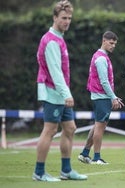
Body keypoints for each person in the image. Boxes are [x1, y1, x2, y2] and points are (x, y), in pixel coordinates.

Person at [33, 0, 87, 181]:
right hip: (52, 92)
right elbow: (55, 71)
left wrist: (65, 92)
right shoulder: (50, 40)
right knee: (50, 129)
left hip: (60, 92)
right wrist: (67, 94)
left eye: (69, 18)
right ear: (55, 18)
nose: (67, 21)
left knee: (70, 128)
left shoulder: (59, 38)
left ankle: (66, 171)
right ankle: (39, 173)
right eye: (63, 18)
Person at [78, 31, 124, 165]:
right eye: (111, 43)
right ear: (104, 40)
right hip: (101, 96)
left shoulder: (100, 56)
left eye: (115, 44)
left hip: (101, 96)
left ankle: (85, 153)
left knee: (98, 125)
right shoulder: (101, 58)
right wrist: (113, 97)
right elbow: (104, 82)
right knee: (100, 127)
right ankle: (97, 157)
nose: (113, 46)